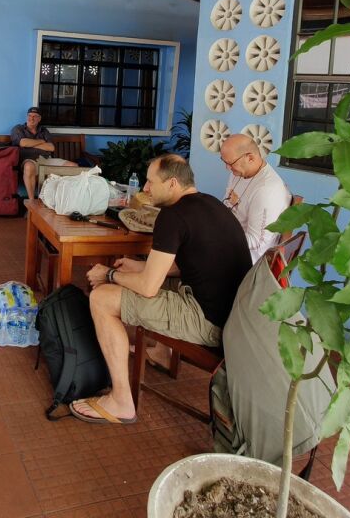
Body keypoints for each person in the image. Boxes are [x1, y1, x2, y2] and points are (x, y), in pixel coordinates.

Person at [69, 154, 251, 425]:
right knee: (134, 276)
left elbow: (147, 287)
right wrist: (139, 267)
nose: (145, 188)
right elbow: (189, 264)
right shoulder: (212, 204)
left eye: (151, 182)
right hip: (233, 316)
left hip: (209, 323)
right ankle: (162, 355)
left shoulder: (172, 215)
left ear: (172, 183)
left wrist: (109, 274)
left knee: (101, 298)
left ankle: (121, 401)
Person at [220, 134, 292, 264]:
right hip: (229, 241)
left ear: (250, 158)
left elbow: (257, 243)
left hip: (246, 261)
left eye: (230, 163)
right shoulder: (239, 172)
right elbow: (227, 205)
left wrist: (217, 235)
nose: (227, 168)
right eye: (224, 162)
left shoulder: (266, 191)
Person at [10, 107, 76, 197]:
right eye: (29, 115)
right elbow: (23, 143)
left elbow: (51, 147)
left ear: (39, 119)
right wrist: (41, 141)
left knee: (73, 166)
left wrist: (30, 144)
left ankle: (64, 198)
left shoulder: (43, 130)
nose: (31, 118)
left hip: (46, 159)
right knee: (29, 166)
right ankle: (31, 200)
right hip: (29, 160)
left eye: (35, 116)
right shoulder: (18, 129)